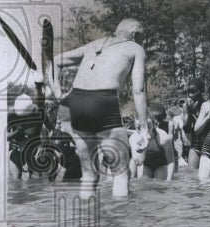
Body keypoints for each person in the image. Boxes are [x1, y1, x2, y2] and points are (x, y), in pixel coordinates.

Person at [53, 18, 148, 197]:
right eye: (142, 37)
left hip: (77, 100)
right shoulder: (135, 48)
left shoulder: (96, 43)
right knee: (121, 173)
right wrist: (144, 128)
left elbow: (56, 61)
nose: (143, 41)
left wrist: (57, 92)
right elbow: (139, 89)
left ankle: (85, 220)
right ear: (135, 34)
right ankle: (123, 223)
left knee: (88, 173)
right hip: (103, 100)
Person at [130, 100, 175, 180]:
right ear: (135, 126)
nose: (145, 130)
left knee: (159, 183)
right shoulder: (134, 138)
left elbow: (171, 161)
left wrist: (169, 181)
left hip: (161, 164)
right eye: (139, 128)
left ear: (154, 124)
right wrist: (143, 147)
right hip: (145, 164)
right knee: (143, 182)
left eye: (148, 126)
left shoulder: (163, 137)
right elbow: (139, 162)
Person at [182, 79, 206, 168]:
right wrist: (189, 111)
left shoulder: (208, 104)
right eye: (188, 92)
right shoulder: (186, 106)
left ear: (202, 91)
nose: (190, 95)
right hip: (195, 145)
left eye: (193, 92)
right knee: (191, 174)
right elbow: (186, 129)